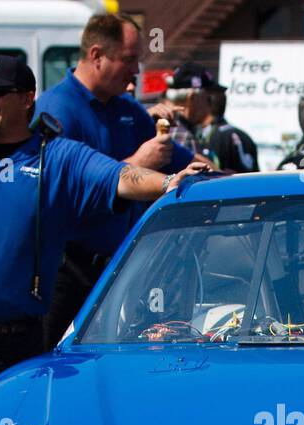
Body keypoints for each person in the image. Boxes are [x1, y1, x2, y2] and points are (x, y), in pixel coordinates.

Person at [0, 55, 204, 425]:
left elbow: (121, 178)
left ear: (28, 98)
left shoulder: (58, 157)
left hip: (11, 345)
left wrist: (166, 184)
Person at [34, 13, 199, 350]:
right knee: (50, 361)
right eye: (129, 59)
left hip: (120, 269)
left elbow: (187, 162)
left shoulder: (126, 109)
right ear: (96, 55)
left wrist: (233, 179)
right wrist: (139, 164)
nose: (136, 70)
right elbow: (58, 190)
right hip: (67, 271)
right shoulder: (55, 109)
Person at [163, 63, 258, 173]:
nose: (210, 105)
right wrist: (220, 176)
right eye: (208, 97)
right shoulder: (182, 135)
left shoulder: (169, 126)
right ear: (192, 97)